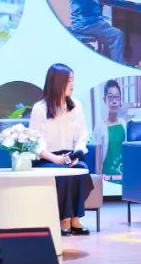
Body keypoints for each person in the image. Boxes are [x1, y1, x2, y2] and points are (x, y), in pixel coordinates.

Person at [29, 63, 94, 235]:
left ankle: (75, 218)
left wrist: (76, 154)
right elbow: (35, 144)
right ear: (58, 82)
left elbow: (82, 136)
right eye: (69, 80)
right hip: (47, 159)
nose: (72, 85)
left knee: (81, 170)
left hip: (70, 156)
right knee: (63, 175)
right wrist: (55, 159)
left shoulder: (76, 106)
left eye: (73, 80)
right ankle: (64, 219)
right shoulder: (40, 109)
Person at [92, 79, 127, 182]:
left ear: (120, 101)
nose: (114, 101)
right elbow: (97, 159)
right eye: (110, 97)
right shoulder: (99, 127)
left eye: (117, 97)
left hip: (123, 178)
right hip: (106, 178)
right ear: (105, 100)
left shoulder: (124, 124)